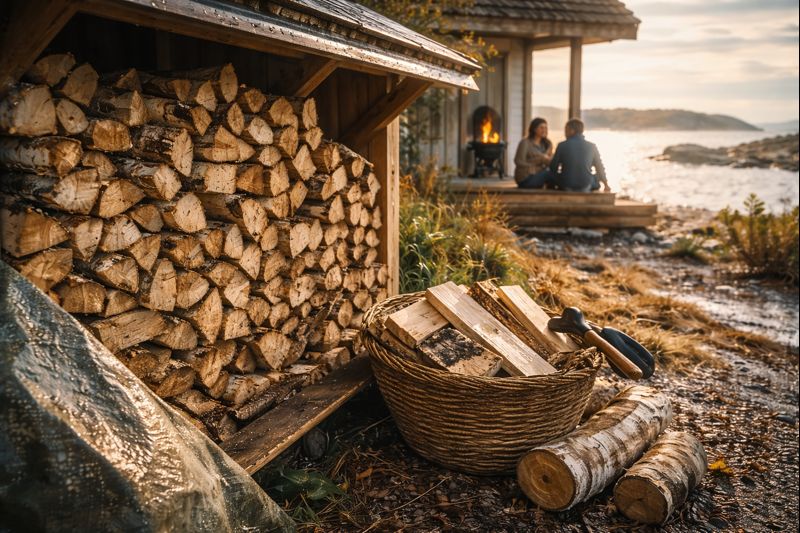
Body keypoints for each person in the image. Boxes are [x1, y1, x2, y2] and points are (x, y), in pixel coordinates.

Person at [548, 118, 610, 192]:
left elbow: (553, 167)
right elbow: (599, 167)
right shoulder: (592, 146)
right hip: (585, 186)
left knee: (547, 174)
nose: (565, 133)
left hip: (566, 185)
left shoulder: (562, 145)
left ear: (571, 131)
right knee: (594, 177)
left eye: (566, 130)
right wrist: (606, 185)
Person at [514, 118, 554, 187]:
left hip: (539, 176)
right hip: (525, 178)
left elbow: (549, 162)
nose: (544, 130)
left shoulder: (547, 144)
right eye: (541, 128)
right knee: (549, 174)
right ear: (534, 129)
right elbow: (518, 161)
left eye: (546, 128)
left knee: (555, 174)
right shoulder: (525, 142)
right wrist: (537, 166)